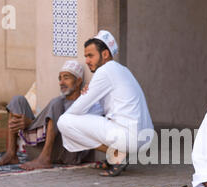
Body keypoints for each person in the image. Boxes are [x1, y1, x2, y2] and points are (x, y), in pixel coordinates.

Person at [57, 30, 154, 177]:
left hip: (129, 137)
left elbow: (77, 109)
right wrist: (88, 96)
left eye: (90, 55)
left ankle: (116, 154)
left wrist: (81, 103)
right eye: (86, 56)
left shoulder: (105, 71)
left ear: (105, 54)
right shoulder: (122, 70)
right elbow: (103, 109)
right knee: (79, 117)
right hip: (144, 137)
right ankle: (115, 155)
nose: (87, 61)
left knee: (64, 121)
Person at [0, 60, 103, 170]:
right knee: (18, 100)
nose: (61, 82)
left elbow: (73, 130)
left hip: (67, 154)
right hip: (40, 149)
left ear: (78, 81)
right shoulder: (60, 101)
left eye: (66, 77)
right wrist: (29, 124)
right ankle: (11, 153)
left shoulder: (83, 101)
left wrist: (29, 122)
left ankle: (45, 159)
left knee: (56, 103)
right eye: (60, 78)